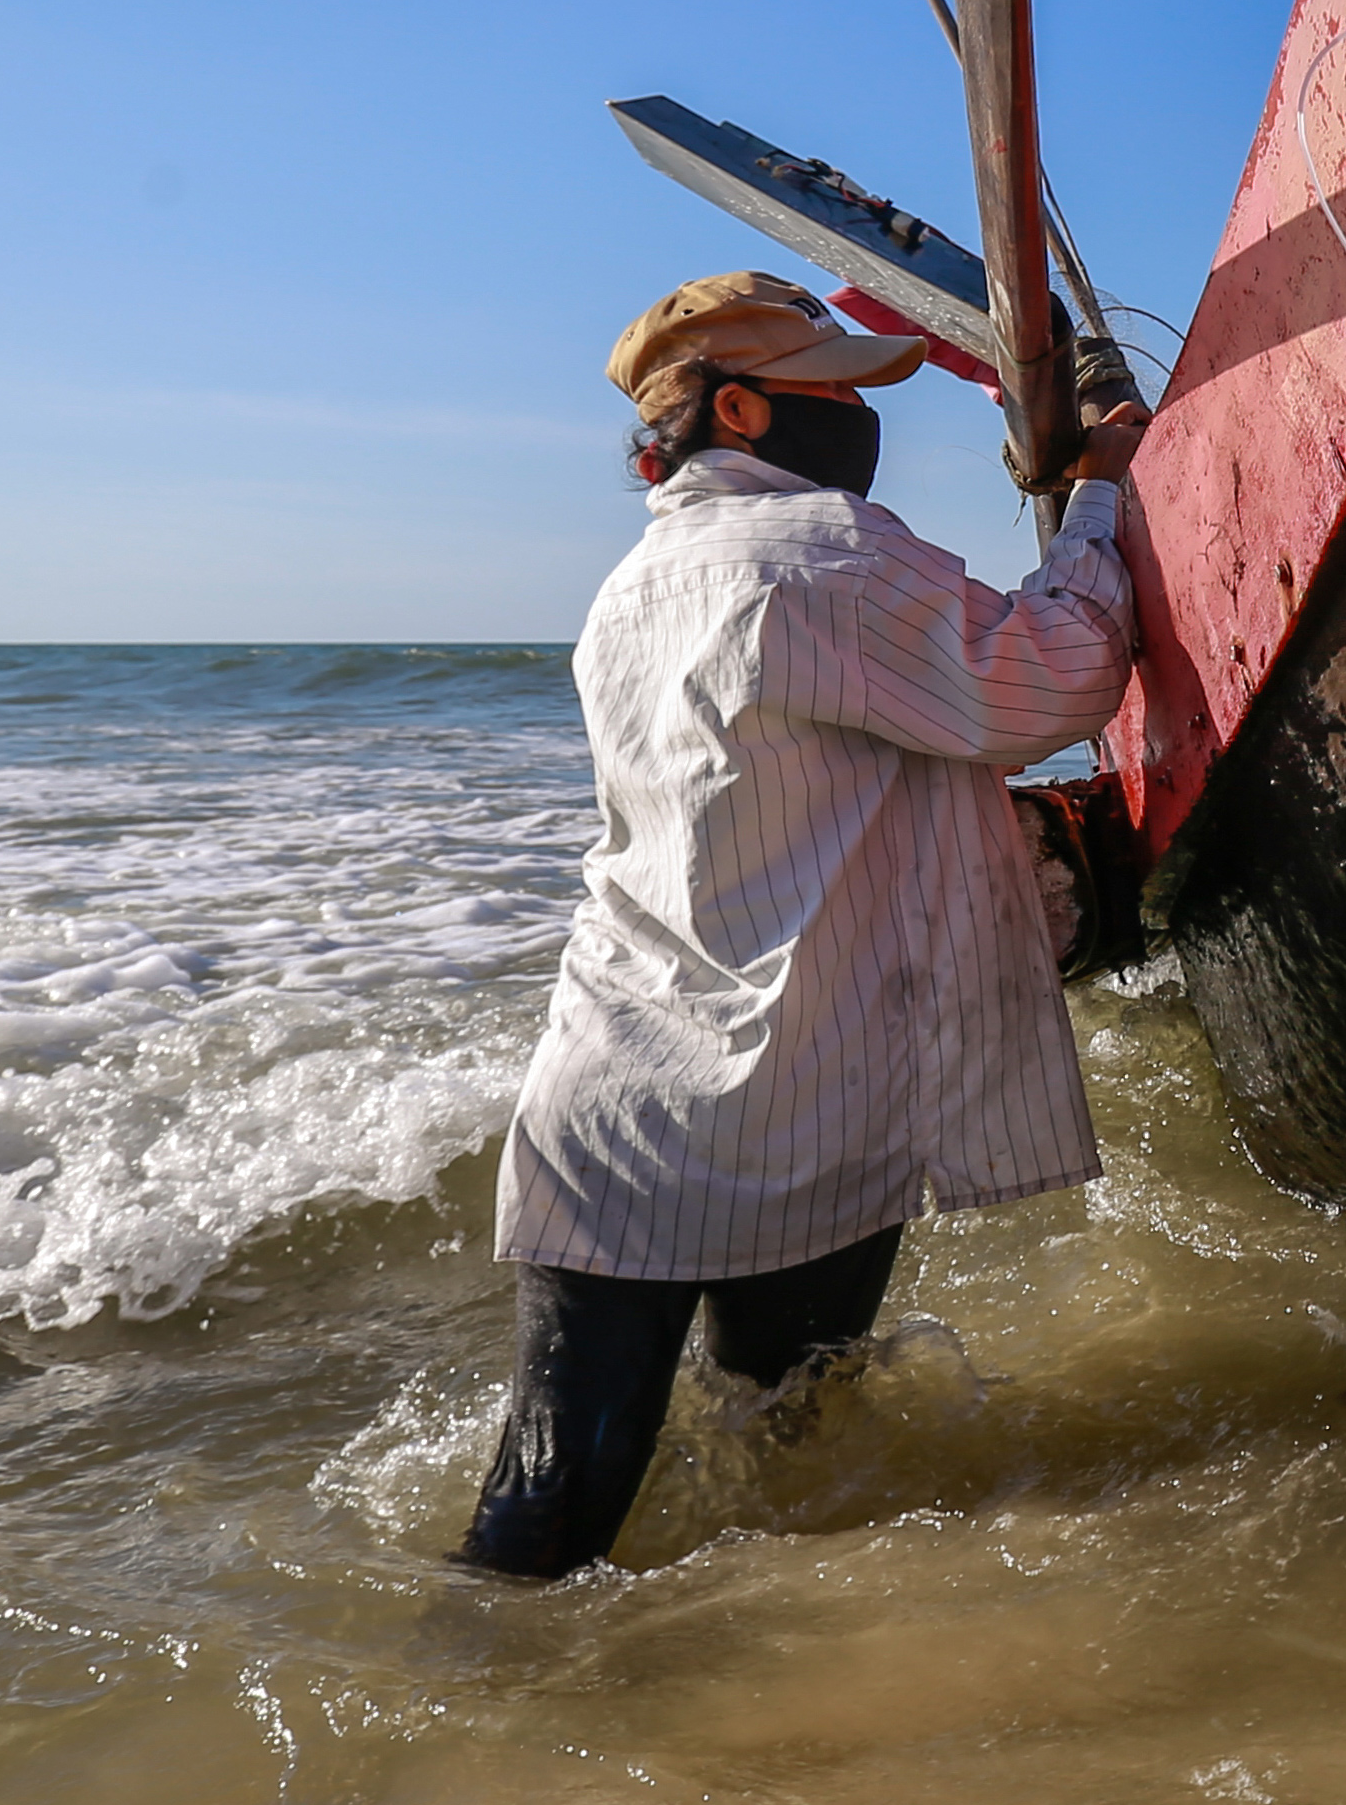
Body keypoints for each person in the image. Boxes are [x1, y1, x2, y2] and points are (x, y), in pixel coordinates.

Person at [455, 271, 1147, 1579]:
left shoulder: (635, 583)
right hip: (790, 1110)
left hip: (605, 1109)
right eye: (841, 390)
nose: (866, 423)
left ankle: (472, 1738)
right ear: (742, 407)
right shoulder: (817, 546)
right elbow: (1047, 683)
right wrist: (1100, 496)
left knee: (546, 1509)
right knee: (787, 1444)